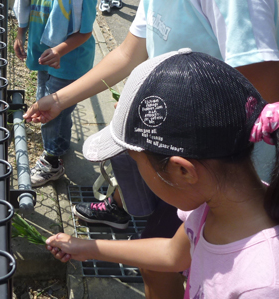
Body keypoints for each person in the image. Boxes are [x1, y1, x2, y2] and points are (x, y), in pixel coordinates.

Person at [23, 0, 279, 297]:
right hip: (177, 158)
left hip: (215, 171)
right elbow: (129, 51)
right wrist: (60, 100)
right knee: (160, 260)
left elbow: (262, 90)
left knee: (179, 261)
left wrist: (163, 135)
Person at [45, 49, 279, 299]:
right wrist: (88, 247)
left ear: (182, 170)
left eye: (136, 161)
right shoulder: (215, 205)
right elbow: (172, 254)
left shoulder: (263, 285)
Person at [12, 0, 97, 187]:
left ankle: (52, 160)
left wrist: (60, 50)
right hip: (43, 54)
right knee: (48, 99)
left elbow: (85, 32)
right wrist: (20, 34)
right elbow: (23, 4)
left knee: (52, 108)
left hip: (69, 60)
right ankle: (58, 144)